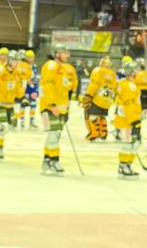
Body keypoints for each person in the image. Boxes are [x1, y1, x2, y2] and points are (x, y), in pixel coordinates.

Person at [38, 46, 76, 175]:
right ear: (57, 54)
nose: (67, 55)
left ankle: (47, 160)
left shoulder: (69, 68)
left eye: (67, 53)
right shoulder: (50, 66)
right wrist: (52, 104)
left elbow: (70, 88)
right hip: (48, 106)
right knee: (53, 134)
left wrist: (67, 107)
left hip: (62, 107)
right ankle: (54, 160)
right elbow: (48, 86)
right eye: (64, 53)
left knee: (55, 134)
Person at [83, 55, 117, 140]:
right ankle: (103, 133)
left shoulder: (98, 71)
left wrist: (88, 95)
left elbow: (94, 84)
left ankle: (94, 132)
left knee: (91, 114)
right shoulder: (112, 73)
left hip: (98, 98)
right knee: (102, 116)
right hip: (108, 100)